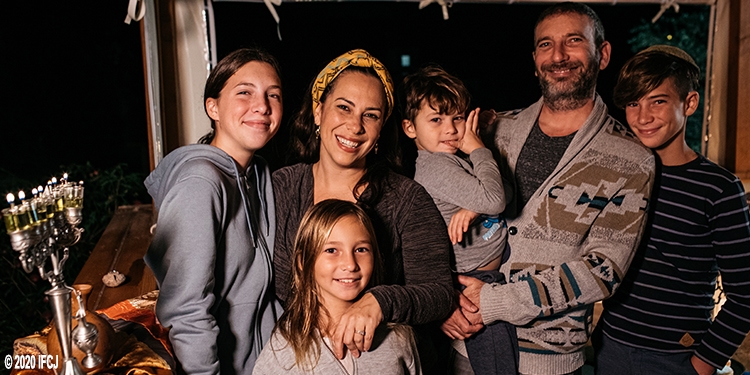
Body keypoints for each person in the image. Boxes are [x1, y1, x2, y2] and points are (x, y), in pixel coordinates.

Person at [442, 3, 656, 374]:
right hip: (463, 351)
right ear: (535, 58)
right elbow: (435, 215)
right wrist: (441, 302)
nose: (558, 56)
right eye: (545, 45)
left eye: (573, 41)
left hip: (547, 362)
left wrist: (496, 301)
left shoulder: (632, 159)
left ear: (602, 55)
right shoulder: (493, 133)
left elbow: (602, 270)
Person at [272, 49, 455, 373]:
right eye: (344, 107)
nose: (354, 126)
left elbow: (439, 294)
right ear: (318, 111)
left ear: (382, 127)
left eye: (370, 114)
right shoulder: (281, 190)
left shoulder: (406, 199)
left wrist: (380, 302)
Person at [594, 45, 750, 375]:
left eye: (658, 101)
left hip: (675, 358)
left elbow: (745, 295)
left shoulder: (719, 189)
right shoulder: (619, 177)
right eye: (634, 103)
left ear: (689, 103)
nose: (642, 116)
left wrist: (703, 365)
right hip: (609, 346)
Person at [144, 47, 283, 374]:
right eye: (244, 92)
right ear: (213, 107)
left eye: (273, 95)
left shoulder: (258, 173)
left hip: (268, 359)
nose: (262, 106)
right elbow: (185, 310)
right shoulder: (201, 183)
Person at [399, 65, 518, 375]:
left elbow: (504, 191)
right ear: (410, 128)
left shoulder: (454, 159)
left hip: (490, 271)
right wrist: (478, 147)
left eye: (457, 118)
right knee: (495, 366)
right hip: (475, 281)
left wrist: (475, 208)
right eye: (436, 120)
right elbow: (497, 199)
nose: (451, 130)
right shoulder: (437, 168)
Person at [254, 199, 421, 374]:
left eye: (361, 249)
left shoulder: (399, 338)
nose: (350, 264)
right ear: (303, 262)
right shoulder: (283, 350)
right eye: (332, 250)